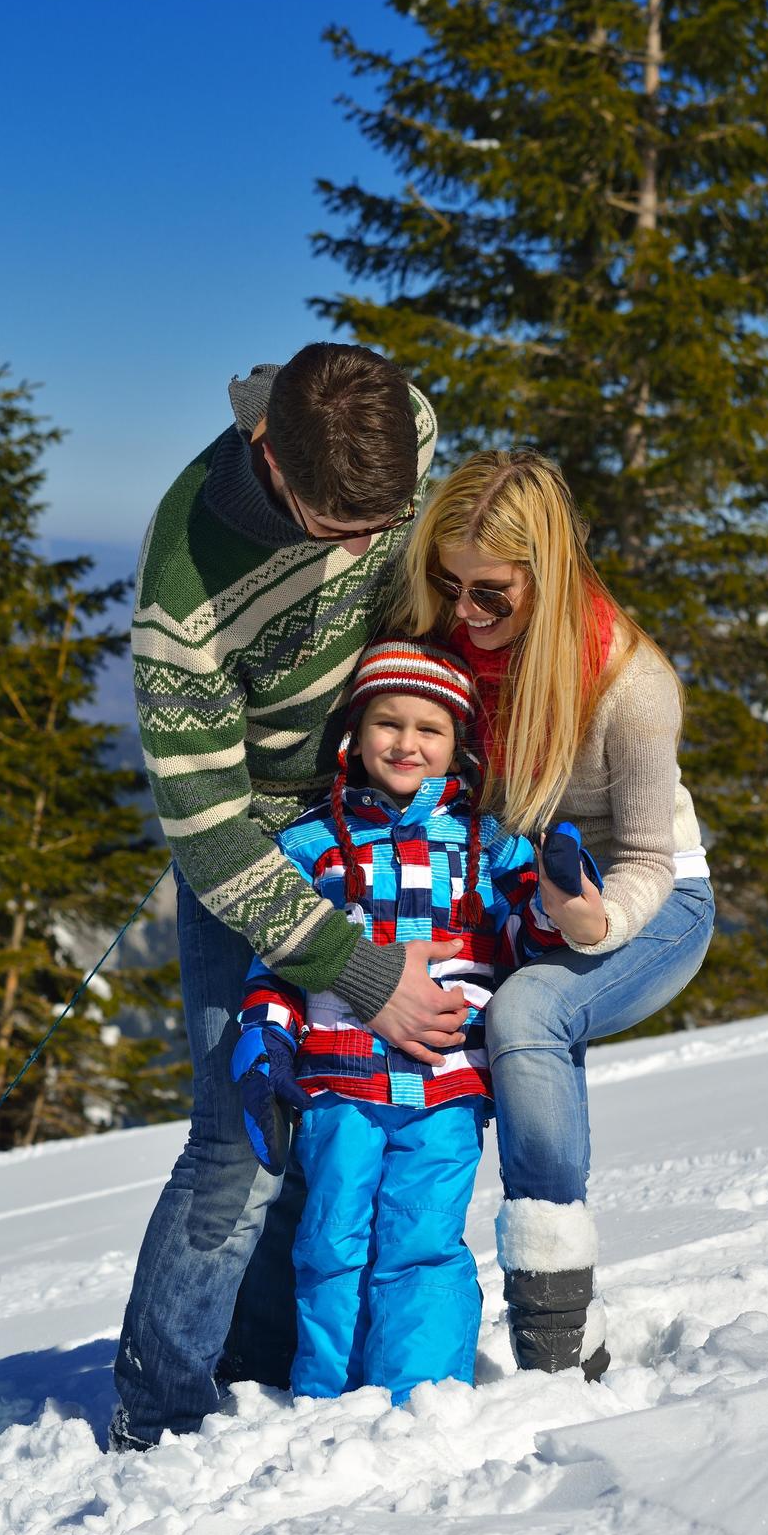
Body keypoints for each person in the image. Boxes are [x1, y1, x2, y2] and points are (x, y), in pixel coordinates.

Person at [113, 344, 463, 1450]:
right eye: (336, 529)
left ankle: (258, 1357)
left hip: (376, 812)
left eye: (384, 520)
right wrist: (360, 973)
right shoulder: (188, 584)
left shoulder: (401, 427)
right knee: (241, 1131)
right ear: (269, 451)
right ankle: (161, 1414)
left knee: (336, 1112)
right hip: (259, 840)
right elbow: (210, 835)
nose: (367, 548)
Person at [395, 449, 715, 1378]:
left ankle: (557, 1328)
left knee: (529, 1012)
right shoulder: (450, 643)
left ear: (552, 573)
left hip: (647, 902)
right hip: (513, 900)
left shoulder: (630, 687)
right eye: (449, 585)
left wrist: (596, 923)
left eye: (491, 593)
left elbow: (651, 858)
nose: (465, 614)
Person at [231, 639, 542, 1403]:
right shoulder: (312, 846)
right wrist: (263, 1037)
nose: (406, 743)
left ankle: (422, 1391)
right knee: (331, 1237)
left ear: (456, 744)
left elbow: (529, 934)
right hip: (340, 1077)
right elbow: (280, 957)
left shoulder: (486, 845)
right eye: (387, 723)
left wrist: (557, 893)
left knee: (423, 1237)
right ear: (354, 734)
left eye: (428, 729)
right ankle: (327, 1395)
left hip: (448, 1080)